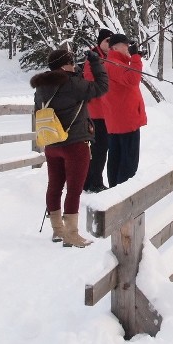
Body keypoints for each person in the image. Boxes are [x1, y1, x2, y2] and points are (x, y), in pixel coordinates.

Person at [31, 48, 108, 248]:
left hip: (52, 142)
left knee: (54, 186)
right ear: (65, 64)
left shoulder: (41, 87)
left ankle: (58, 231)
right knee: (74, 190)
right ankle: (72, 234)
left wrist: (79, 72)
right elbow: (101, 86)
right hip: (74, 144)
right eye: (72, 63)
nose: (74, 65)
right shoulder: (72, 83)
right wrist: (96, 63)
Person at [104, 33, 147, 187]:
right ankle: (122, 196)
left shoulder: (115, 63)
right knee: (128, 162)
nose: (128, 46)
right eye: (125, 44)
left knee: (117, 158)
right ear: (115, 47)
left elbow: (129, 76)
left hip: (120, 120)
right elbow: (132, 79)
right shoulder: (114, 63)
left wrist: (136, 58)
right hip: (126, 121)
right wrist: (135, 58)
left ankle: (115, 191)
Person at [81, 28, 115, 193]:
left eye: (111, 41)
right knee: (99, 148)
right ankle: (94, 182)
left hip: (106, 111)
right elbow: (90, 81)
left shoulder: (107, 57)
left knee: (101, 148)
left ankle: (90, 181)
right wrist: (102, 65)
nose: (109, 44)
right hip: (96, 112)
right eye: (107, 41)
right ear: (100, 42)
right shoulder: (93, 58)